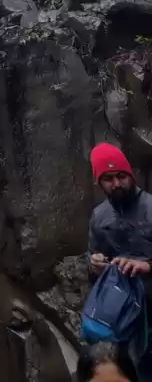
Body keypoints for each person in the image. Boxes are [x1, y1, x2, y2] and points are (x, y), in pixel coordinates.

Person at [88, 144, 152, 380]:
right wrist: (94, 264)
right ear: (99, 182)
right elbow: (93, 265)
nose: (116, 183)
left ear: (131, 175)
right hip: (120, 322)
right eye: (108, 178)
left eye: (121, 176)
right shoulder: (99, 216)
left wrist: (148, 266)